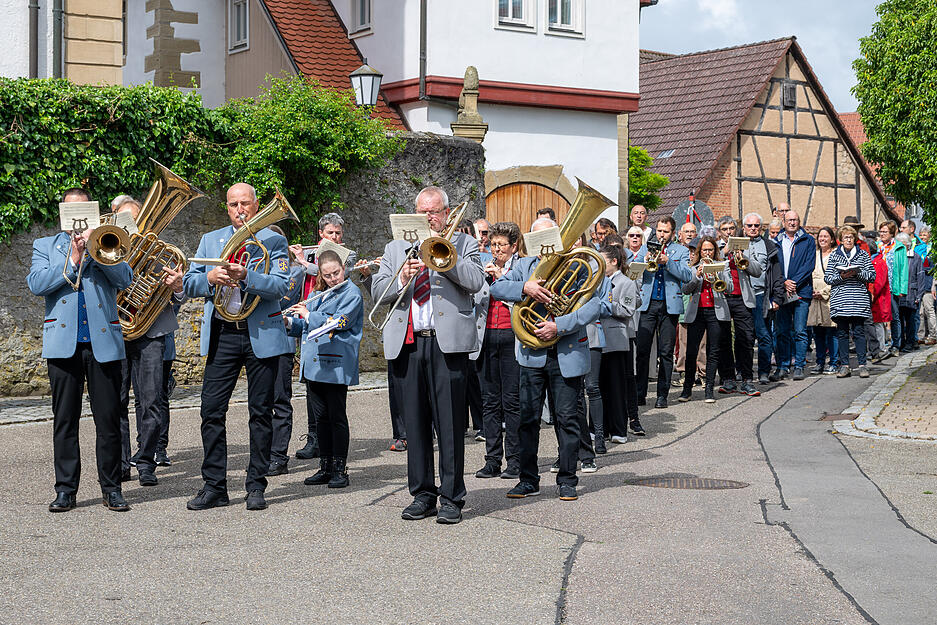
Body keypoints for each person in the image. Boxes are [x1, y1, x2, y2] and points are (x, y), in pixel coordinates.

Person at [371, 186, 485, 524]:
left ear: (446, 214)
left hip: (446, 343)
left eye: (434, 212)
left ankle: (452, 497)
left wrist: (444, 259)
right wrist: (400, 277)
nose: (428, 217)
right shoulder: (396, 248)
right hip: (409, 342)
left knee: (450, 424)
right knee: (415, 424)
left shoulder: (465, 243)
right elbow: (378, 291)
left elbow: (476, 281)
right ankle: (422, 494)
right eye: (422, 212)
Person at [183, 183, 292, 512]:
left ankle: (256, 484)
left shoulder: (274, 240)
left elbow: (282, 286)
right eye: (233, 204)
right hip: (224, 333)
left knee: (260, 413)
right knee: (211, 411)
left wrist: (247, 276)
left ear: (257, 204)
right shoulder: (210, 240)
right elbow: (189, 283)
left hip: (259, 333)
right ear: (226, 207)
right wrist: (210, 278)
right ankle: (214, 485)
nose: (240, 209)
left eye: (245, 203)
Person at [27, 188, 134, 512]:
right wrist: (73, 258)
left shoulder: (105, 239)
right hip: (63, 345)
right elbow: (36, 284)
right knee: (65, 420)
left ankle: (112, 488)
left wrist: (96, 249)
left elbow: (125, 278)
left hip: (103, 343)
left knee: (109, 420)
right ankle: (66, 490)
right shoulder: (45, 246)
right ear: (63, 213)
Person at [490, 217, 609, 502]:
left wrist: (561, 325)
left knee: (567, 420)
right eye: (537, 238)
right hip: (532, 355)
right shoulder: (524, 266)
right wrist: (525, 289)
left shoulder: (581, 265)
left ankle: (567, 480)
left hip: (566, 352)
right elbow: (496, 289)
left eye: (549, 237)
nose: (543, 244)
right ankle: (528, 479)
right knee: (527, 420)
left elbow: (597, 304)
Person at [112, 196, 185, 487]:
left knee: (152, 401)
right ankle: (120, 463)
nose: (131, 228)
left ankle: (146, 461)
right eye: (125, 221)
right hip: (115, 334)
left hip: (150, 334)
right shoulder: (103, 250)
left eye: (136, 221)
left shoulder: (160, 254)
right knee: (114, 403)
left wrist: (176, 289)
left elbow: (175, 302)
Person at [284, 250, 363, 489]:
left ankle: (340, 468)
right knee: (321, 418)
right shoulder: (318, 293)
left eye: (336, 273)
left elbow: (340, 322)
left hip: (336, 361)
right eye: (327, 275)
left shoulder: (352, 293)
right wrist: (290, 322)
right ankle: (325, 466)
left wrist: (309, 315)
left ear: (343, 268)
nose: (333, 279)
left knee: (336, 416)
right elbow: (307, 326)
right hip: (315, 364)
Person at [473, 222, 522, 480]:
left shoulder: (521, 267)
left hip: (512, 335)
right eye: (493, 244)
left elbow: (522, 298)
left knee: (511, 401)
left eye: (502, 245)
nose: (496, 249)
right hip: (486, 335)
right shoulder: (483, 266)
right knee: (489, 402)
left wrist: (501, 279)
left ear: (514, 246)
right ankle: (492, 460)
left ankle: (514, 461)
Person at [634, 216, 693, 409]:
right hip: (648, 304)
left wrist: (668, 262)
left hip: (670, 306)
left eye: (665, 231)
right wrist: (644, 262)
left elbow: (687, 276)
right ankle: (640, 393)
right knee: (642, 351)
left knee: (666, 352)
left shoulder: (682, 250)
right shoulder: (645, 247)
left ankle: (662, 395)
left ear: (673, 233)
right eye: (659, 231)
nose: (661, 235)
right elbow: (634, 272)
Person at [266, 224, 305, 476]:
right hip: (258, 340)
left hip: (282, 340)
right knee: (260, 402)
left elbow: (283, 298)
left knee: (280, 399)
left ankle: (278, 456)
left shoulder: (294, 271)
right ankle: (263, 452)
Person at [713, 217, 762, 396]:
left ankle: (747, 379)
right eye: (725, 229)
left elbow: (758, 271)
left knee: (746, 340)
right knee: (723, 340)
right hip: (723, 297)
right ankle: (728, 379)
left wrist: (744, 257)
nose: (728, 232)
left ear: (736, 229)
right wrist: (724, 253)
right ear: (720, 232)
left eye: (731, 228)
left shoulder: (746, 246)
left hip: (743, 298)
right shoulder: (716, 248)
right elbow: (711, 267)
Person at [679, 237, 729, 403]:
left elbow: (729, 287)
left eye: (710, 250)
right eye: (704, 250)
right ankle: (687, 389)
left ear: (715, 250)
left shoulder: (723, 265)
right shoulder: (692, 268)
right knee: (691, 351)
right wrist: (697, 277)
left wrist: (716, 275)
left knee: (713, 351)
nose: (707, 253)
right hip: (697, 312)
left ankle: (709, 389)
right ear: (699, 252)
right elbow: (685, 290)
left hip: (716, 311)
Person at [598, 244, 640, 444]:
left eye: (602, 261)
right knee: (599, 387)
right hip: (598, 339)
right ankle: (600, 428)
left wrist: (605, 304)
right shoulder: (597, 281)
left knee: (616, 387)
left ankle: (619, 429)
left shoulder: (626, 282)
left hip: (616, 340)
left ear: (614, 262)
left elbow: (627, 310)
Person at [770, 210, 815, 381]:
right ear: (783, 221)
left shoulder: (808, 240)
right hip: (782, 292)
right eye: (789, 220)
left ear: (799, 221)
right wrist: (784, 283)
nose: (792, 223)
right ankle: (782, 366)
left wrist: (793, 282)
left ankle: (799, 366)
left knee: (800, 331)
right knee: (782, 331)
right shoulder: (775, 241)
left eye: (795, 220)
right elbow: (774, 267)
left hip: (801, 291)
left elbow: (809, 265)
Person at [824, 226, 875, 377]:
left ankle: (862, 365)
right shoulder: (834, 255)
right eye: (845, 237)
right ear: (840, 239)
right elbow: (828, 278)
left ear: (854, 239)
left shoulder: (863, 255)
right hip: (841, 300)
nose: (848, 240)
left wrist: (857, 274)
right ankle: (845, 365)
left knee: (859, 332)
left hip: (858, 299)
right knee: (842, 333)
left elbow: (872, 275)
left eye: (851, 237)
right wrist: (842, 276)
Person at [743, 212, 784, 384]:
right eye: (749, 226)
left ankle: (763, 372)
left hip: (762, 295)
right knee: (744, 336)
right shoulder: (737, 243)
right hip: (742, 296)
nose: (753, 229)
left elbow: (777, 275)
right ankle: (743, 372)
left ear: (761, 227)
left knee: (764, 335)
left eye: (756, 226)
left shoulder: (769, 245)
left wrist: (777, 298)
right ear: (744, 227)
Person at [808, 227, 839, 375]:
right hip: (815, 299)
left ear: (832, 239)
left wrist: (824, 292)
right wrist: (811, 291)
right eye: (820, 236)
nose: (823, 239)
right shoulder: (814, 255)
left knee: (832, 331)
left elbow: (838, 276)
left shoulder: (836, 255)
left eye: (826, 236)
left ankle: (834, 362)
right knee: (817, 331)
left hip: (830, 298)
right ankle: (820, 362)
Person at [896, 232, 926, 353]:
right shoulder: (896, 256)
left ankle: (910, 342)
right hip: (898, 294)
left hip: (911, 293)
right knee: (899, 320)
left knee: (910, 320)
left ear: (908, 245)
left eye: (903, 245)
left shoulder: (916, 257)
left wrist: (919, 295)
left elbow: (921, 277)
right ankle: (901, 342)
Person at [878, 221, 905, 355]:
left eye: (885, 232)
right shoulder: (878, 247)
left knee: (894, 316)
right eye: (881, 231)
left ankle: (896, 344)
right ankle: (880, 344)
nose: (882, 234)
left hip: (892, 286)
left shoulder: (898, 247)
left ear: (892, 233)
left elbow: (903, 269)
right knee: (878, 317)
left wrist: (902, 288)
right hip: (879, 287)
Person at [868, 243, 893, 363]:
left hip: (878, 299)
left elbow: (878, 283)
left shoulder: (879, 263)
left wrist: (870, 294)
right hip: (875, 298)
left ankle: (881, 349)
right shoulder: (876, 261)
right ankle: (877, 349)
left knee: (878, 324)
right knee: (875, 324)